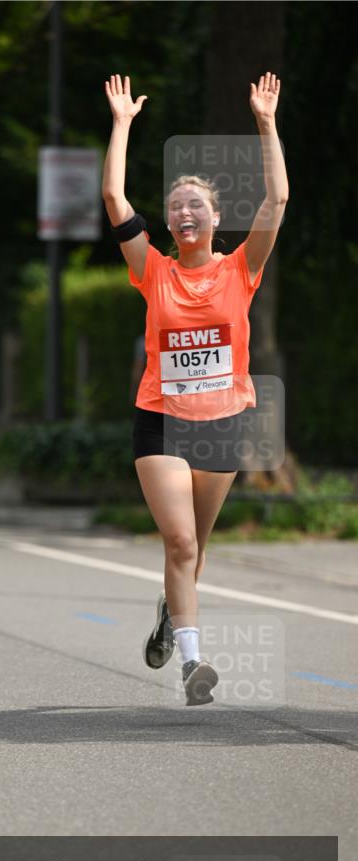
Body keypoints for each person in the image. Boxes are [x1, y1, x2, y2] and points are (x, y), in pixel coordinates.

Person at [102, 72, 287, 705]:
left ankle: (167, 614)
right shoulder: (151, 270)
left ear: (214, 218)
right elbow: (113, 199)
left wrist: (265, 123)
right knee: (179, 541)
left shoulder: (242, 269)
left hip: (222, 421)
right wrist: (123, 123)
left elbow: (278, 202)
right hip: (161, 419)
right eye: (176, 205)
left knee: (195, 550)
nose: (184, 213)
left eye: (196, 206)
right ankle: (193, 664)